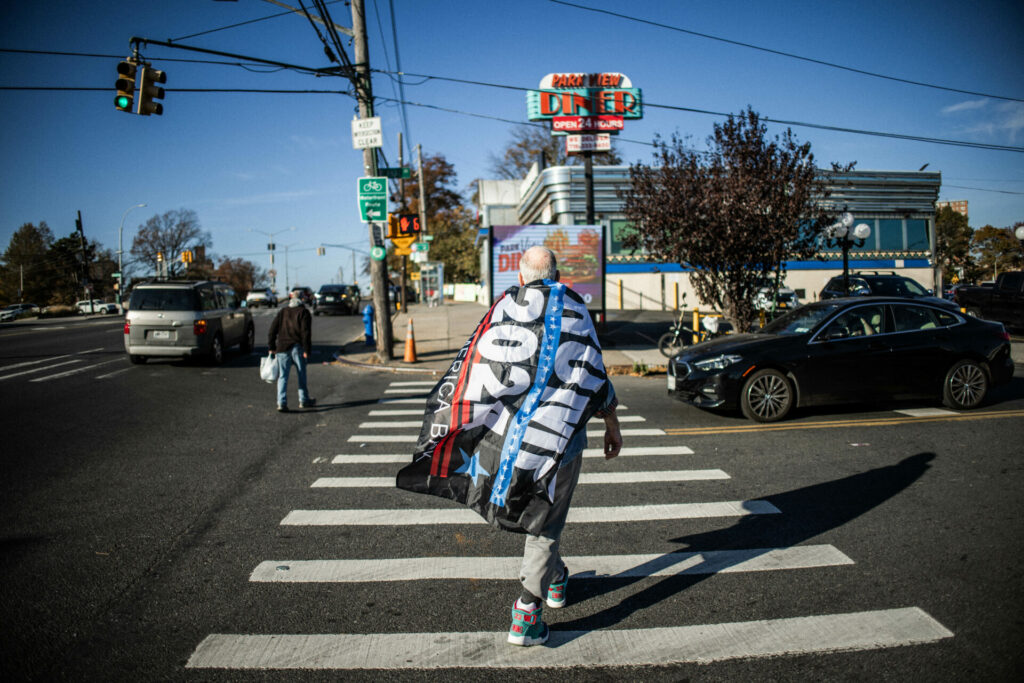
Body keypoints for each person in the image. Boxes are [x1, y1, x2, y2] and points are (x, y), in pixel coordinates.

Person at [396, 245, 622, 648]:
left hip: (513, 436)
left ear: (520, 277)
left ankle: (555, 580)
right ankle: (526, 614)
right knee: (546, 520)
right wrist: (612, 423)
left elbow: (479, 366)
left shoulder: (502, 308)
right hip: (560, 438)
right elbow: (593, 373)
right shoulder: (575, 308)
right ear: (556, 275)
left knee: (542, 514)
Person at [267, 289, 315, 412]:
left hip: (282, 347)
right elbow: (305, 333)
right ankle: (303, 400)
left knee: (283, 376)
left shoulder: (283, 312)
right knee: (301, 374)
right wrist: (307, 349)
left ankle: (281, 402)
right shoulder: (304, 312)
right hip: (297, 347)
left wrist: (272, 347)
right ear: (302, 299)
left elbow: (272, 330)